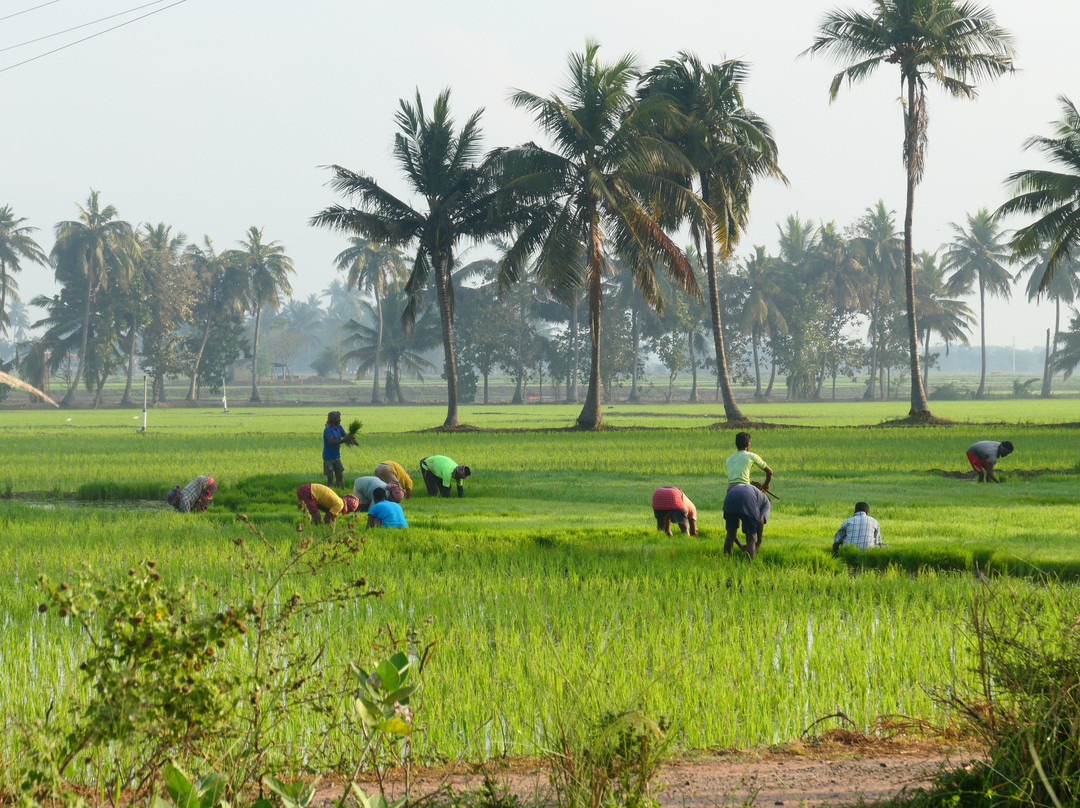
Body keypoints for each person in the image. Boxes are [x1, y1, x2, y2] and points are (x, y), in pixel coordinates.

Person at [723, 482, 771, 559]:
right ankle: (748, 565)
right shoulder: (766, 502)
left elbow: (731, 533)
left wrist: (740, 545)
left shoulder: (753, 492)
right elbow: (760, 520)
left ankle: (726, 560)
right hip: (747, 499)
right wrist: (759, 541)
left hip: (730, 497)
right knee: (751, 538)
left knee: (730, 534)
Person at [322, 411, 347, 488]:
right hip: (328, 458)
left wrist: (351, 438)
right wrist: (344, 440)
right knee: (330, 477)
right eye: (338, 418)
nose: (340, 420)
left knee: (339, 475)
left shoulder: (339, 427)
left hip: (336, 457)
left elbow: (345, 436)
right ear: (333, 419)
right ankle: (330, 492)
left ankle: (340, 490)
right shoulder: (328, 430)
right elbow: (331, 442)